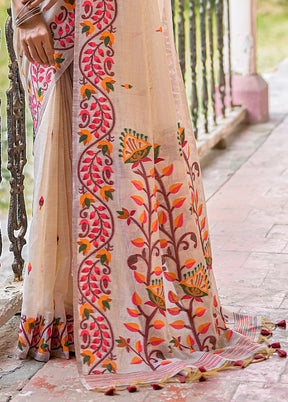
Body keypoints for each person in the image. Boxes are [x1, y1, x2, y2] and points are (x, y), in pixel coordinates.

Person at [12, 0, 285, 393]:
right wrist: (26, 12)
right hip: (59, 19)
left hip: (121, 21)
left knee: (124, 163)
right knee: (68, 148)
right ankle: (70, 316)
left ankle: (120, 313)